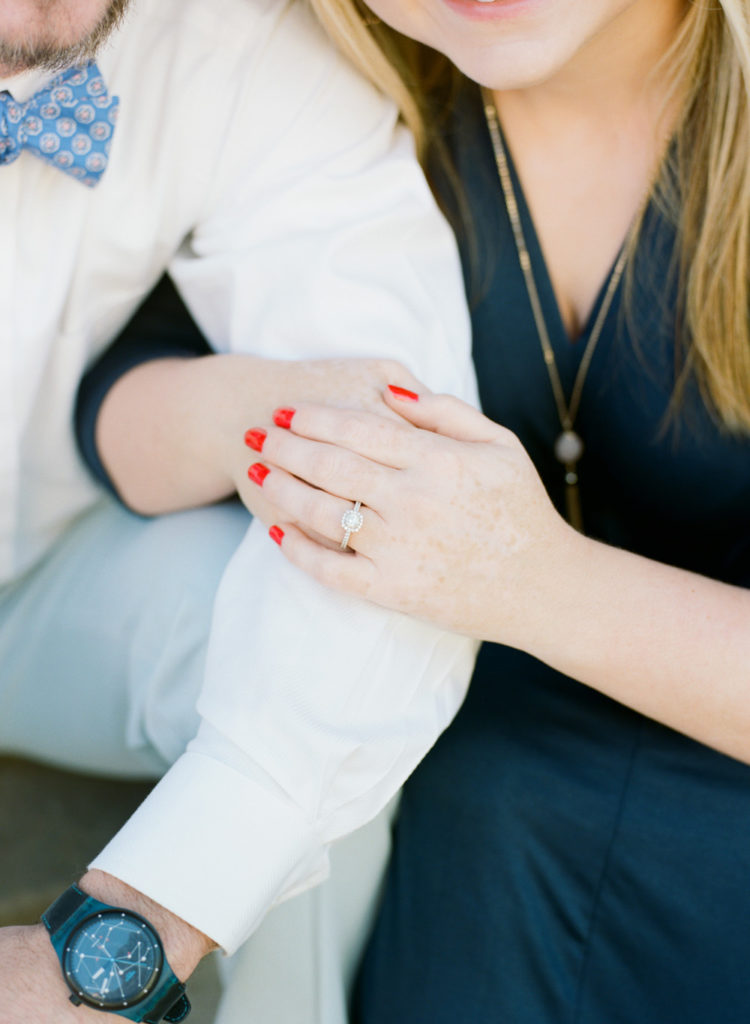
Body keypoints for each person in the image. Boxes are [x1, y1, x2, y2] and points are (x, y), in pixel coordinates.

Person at [230, 0, 750, 1020]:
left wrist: (529, 580)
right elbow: (116, 389)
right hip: (481, 872)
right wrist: (248, 415)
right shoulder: (322, 91)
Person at [0, 0, 481, 1021]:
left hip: (38, 583)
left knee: (327, 656)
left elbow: (411, 483)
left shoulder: (233, 36)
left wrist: (130, 934)